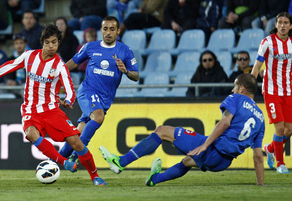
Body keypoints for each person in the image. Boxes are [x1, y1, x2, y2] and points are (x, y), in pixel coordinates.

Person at [100, 73, 265, 186]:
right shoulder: (261, 118)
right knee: (187, 161)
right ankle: (154, 179)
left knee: (162, 130)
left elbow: (225, 122)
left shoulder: (236, 98)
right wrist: (260, 184)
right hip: (224, 162)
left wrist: (205, 145)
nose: (232, 90)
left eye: (235, 87)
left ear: (242, 89)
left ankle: (120, 163)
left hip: (212, 150)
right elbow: (258, 155)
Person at [0, 24, 107, 186]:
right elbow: (10, 64)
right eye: (48, 42)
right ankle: (63, 161)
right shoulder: (29, 56)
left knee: (77, 142)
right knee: (31, 133)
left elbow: (69, 88)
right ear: (42, 42)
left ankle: (95, 176)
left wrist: (68, 100)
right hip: (31, 109)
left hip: (52, 110)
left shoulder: (59, 66)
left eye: (54, 42)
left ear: (58, 43)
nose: (51, 46)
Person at [58, 16, 140, 163]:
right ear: (101, 30)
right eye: (105, 29)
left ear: (118, 31)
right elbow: (73, 63)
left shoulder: (125, 50)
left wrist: (126, 71)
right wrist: (55, 77)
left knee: (78, 132)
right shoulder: (90, 47)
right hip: (88, 90)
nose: (108, 32)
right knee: (98, 117)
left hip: (105, 98)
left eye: (112, 29)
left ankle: (55, 161)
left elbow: (136, 76)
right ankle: (78, 156)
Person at [251, 12, 292, 174]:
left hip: (289, 91)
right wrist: (249, 91)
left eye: (286, 23)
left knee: (289, 130)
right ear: (275, 25)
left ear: (290, 26)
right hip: (271, 91)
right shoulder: (267, 42)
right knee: (280, 128)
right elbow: (256, 67)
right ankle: (280, 164)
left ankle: (270, 148)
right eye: (280, 22)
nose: (282, 25)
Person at [55, 17, 81, 85]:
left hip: (71, 68)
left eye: (62, 24)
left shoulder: (73, 38)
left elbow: (76, 55)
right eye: (58, 24)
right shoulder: (51, 39)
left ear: (66, 25)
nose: (60, 26)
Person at [2, 33, 28, 98]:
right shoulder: (10, 59)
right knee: (0, 90)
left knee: (25, 92)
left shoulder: (30, 59)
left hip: (25, 85)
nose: (19, 46)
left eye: (21, 43)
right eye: (16, 43)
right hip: (13, 86)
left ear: (25, 44)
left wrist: (17, 83)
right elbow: (6, 74)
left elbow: (31, 76)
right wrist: (8, 80)